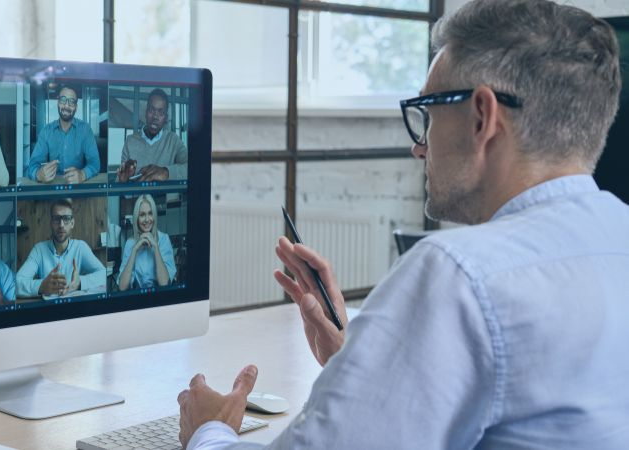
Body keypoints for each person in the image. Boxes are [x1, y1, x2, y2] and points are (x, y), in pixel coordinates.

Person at [177, 0, 629, 448]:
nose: (419, 147)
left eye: (427, 114)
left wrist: (208, 432)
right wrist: (367, 368)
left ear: (482, 117)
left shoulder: (458, 273)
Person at [16, 199, 106, 297]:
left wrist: (80, 282)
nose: (61, 225)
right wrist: (41, 286)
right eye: (56, 219)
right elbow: (17, 283)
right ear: (51, 223)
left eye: (66, 219)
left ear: (72, 223)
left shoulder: (80, 247)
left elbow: (103, 274)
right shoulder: (39, 250)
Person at [25, 85, 101, 184]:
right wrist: (39, 174)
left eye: (72, 102)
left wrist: (83, 174)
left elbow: (95, 164)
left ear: (76, 107)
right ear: (58, 103)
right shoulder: (46, 131)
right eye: (63, 100)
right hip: (52, 190)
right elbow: (32, 166)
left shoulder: (85, 130)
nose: (66, 105)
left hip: (78, 189)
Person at [116, 89, 188, 182]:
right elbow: (120, 179)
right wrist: (123, 181)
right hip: (137, 197)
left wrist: (166, 172)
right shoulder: (130, 141)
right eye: (151, 110)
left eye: (161, 112)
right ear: (146, 112)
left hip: (164, 197)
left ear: (166, 117)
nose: (155, 117)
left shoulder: (173, 140)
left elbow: (193, 168)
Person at [117, 194, 177, 291]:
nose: (147, 219)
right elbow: (122, 287)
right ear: (136, 218)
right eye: (142, 215)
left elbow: (164, 283)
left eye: (150, 213)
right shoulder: (130, 243)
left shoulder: (164, 239)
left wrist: (156, 247)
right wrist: (134, 250)